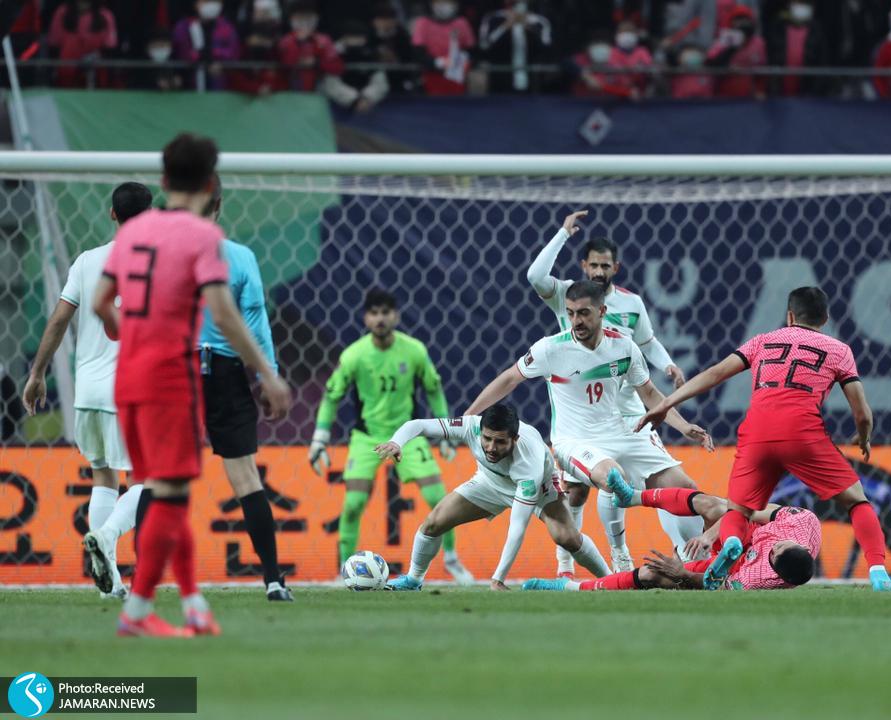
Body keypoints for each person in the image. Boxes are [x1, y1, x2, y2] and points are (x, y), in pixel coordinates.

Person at [93, 132, 291, 637]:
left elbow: (100, 304)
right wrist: (267, 373)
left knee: (155, 485)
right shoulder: (206, 239)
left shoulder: (134, 233)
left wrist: (128, 335)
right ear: (210, 189)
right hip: (178, 370)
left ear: (163, 180)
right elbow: (227, 314)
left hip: (129, 372)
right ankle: (144, 609)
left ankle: (187, 601)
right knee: (192, 486)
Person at [639, 286, 891, 591]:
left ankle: (732, 542)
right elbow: (862, 413)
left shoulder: (763, 340)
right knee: (856, 501)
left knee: (739, 510)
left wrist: (666, 403)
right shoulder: (839, 350)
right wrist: (864, 436)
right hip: (803, 433)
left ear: (790, 316)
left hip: (758, 432)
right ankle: (878, 572)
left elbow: (715, 374)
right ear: (826, 318)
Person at [464, 280, 713, 569]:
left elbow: (649, 393)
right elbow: (509, 378)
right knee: (613, 477)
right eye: (570, 313)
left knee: (688, 490)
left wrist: (683, 426)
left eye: (583, 313)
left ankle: (695, 567)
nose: (576, 321)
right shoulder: (550, 349)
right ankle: (619, 552)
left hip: (618, 433)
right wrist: (471, 414)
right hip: (573, 441)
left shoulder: (624, 347)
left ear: (602, 311)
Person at [526, 211, 690, 577]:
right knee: (577, 491)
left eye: (605, 266)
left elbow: (648, 342)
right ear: (583, 266)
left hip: (628, 409)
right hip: (583, 411)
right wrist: (562, 234)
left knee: (647, 478)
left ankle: (629, 553)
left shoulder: (631, 304)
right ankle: (565, 562)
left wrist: (667, 365)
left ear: (616, 267)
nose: (599, 272)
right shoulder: (568, 296)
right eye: (593, 265)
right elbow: (535, 276)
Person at [22, 182, 153, 600]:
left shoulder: (87, 261)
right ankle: (108, 534)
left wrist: (37, 373)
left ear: (112, 214)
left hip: (88, 393)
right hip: (130, 391)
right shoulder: (153, 265)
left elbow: (59, 320)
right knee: (151, 479)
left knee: (103, 477)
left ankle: (109, 587)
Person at [307, 288, 474, 584]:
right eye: (374, 313)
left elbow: (434, 389)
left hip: (407, 435)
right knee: (353, 504)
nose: (380, 319)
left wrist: (446, 434)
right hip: (367, 438)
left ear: (396, 316)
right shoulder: (354, 355)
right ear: (365, 318)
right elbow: (331, 396)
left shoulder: (414, 351)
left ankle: (451, 559)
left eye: (385, 312)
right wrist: (320, 439)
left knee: (438, 498)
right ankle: (344, 569)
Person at [377, 404, 612, 591]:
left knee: (566, 537)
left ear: (515, 439)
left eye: (500, 442)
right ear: (480, 430)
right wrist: (397, 442)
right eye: (487, 439)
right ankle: (413, 580)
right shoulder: (470, 426)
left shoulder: (527, 464)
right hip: (490, 483)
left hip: (541, 488)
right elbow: (418, 425)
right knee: (433, 523)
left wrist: (498, 578)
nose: (490, 447)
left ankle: (610, 580)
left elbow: (517, 526)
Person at [198, 176, 292, 602]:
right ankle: (273, 579)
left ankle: (140, 581)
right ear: (219, 204)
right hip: (223, 370)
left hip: (172, 370)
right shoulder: (238, 256)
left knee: (157, 479)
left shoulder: (161, 254)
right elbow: (254, 319)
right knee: (245, 477)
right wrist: (268, 376)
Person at [525, 485, 819, 591]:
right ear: (798, 544)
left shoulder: (758, 579)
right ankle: (632, 496)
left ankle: (570, 587)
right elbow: (748, 510)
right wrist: (711, 534)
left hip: (729, 568)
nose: (775, 545)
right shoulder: (803, 523)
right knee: (715, 505)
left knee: (651, 574)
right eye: (782, 543)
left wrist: (682, 575)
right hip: (743, 532)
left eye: (774, 552)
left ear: (774, 567)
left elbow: (716, 587)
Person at [278, 1, 364, 111]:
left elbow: (337, 67)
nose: (304, 22)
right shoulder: (286, 41)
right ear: (292, 19)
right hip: (290, 87)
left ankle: (355, 101)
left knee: (330, 81)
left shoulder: (323, 40)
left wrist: (317, 62)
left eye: (308, 18)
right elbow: (286, 62)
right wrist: (298, 43)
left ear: (315, 18)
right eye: (300, 18)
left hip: (317, 89)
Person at [479, 0, 553, 94]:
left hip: (532, 81)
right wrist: (505, 26)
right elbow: (484, 46)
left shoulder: (540, 21)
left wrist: (529, 27)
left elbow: (547, 48)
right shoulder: (493, 18)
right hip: (501, 80)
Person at [47, 0, 117, 88]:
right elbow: (54, 45)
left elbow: (110, 47)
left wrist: (95, 56)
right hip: (66, 75)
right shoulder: (62, 12)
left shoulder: (105, 15)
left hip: (96, 74)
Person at [412, 0, 476, 96]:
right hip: (430, 76)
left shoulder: (462, 23)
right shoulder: (423, 22)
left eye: (448, 2)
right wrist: (439, 62)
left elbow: (471, 50)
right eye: (438, 2)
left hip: (457, 77)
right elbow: (418, 52)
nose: (443, 5)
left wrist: (462, 61)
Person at [706, 4, 767, 99]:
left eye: (745, 19)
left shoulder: (758, 43)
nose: (742, 23)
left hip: (749, 97)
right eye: (738, 19)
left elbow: (762, 71)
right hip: (723, 96)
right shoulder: (724, 39)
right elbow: (710, 62)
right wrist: (731, 50)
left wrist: (760, 91)